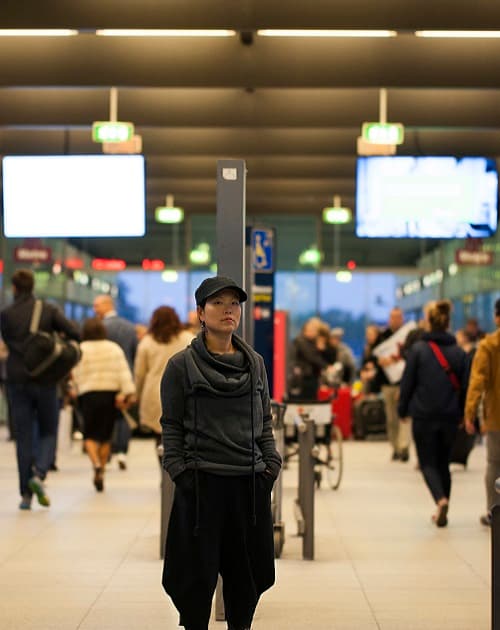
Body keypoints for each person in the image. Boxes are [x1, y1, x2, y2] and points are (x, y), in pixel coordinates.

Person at [160, 276, 282, 630]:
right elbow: (171, 425)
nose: (228, 309)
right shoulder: (181, 366)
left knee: (247, 578)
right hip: (201, 484)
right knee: (193, 579)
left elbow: (264, 419)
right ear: (200, 312)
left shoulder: (254, 363)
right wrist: (180, 471)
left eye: (234, 303)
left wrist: (270, 465)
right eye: (217, 303)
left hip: (249, 483)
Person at [0, 269, 80, 510]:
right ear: (33, 286)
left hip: (16, 379)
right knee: (48, 429)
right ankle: (39, 473)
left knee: (23, 437)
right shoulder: (47, 309)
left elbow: (8, 342)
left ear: (14, 288)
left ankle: (25, 495)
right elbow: (75, 333)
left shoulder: (6, 314)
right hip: (45, 379)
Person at [398, 300, 469, 527]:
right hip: (450, 416)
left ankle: (440, 500)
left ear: (428, 322)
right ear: (448, 323)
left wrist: (402, 409)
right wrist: (463, 414)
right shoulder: (459, 352)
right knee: (443, 463)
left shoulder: (418, 350)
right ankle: (443, 504)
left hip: (424, 415)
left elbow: (407, 383)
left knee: (427, 462)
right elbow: (465, 387)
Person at [71, 318, 136, 492]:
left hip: (88, 395)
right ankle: (102, 467)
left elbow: (74, 374)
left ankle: (96, 464)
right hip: (110, 395)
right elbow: (123, 372)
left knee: (89, 434)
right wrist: (128, 392)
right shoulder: (113, 348)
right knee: (106, 436)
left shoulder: (81, 349)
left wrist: (74, 389)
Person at [134, 306, 194, 458]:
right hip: (183, 389)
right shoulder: (188, 338)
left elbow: (140, 373)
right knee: (180, 432)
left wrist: (137, 394)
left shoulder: (147, 342)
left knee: (160, 433)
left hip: (154, 392)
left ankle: (164, 464)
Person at [464, 298, 500, 526]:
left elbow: (477, 381)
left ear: (496, 318)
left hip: (497, 415)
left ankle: (494, 513)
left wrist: (470, 412)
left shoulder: (489, 345)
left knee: (495, 463)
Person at [93, 294, 138, 470]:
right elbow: (134, 353)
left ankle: (108, 450)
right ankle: (122, 452)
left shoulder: (99, 327)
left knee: (106, 415)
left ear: (107, 305)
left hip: (105, 377)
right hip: (126, 376)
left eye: (97, 306)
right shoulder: (129, 327)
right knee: (123, 415)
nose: (95, 310)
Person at [375, 307, 412, 461]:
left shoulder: (409, 335)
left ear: (402, 318)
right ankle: (395, 447)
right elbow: (374, 357)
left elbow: (411, 356)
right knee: (391, 417)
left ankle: (404, 447)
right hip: (387, 382)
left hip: (404, 381)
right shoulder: (382, 336)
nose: (395, 320)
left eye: (398, 317)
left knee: (405, 415)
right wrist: (380, 362)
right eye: (393, 317)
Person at [288, 317, 328, 400]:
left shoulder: (311, 342)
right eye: (313, 330)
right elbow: (311, 357)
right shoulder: (300, 341)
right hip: (304, 378)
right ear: (306, 329)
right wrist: (326, 366)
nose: (315, 333)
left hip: (311, 377)